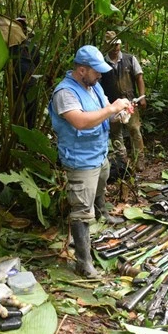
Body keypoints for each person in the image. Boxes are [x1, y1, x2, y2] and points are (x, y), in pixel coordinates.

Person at [48, 45, 133, 278]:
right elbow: (81, 122)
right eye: (96, 71)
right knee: (81, 210)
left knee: (101, 183)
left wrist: (120, 113)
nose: (100, 75)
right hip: (80, 159)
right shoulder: (65, 93)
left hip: (98, 153)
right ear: (82, 70)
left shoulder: (93, 87)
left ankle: (102, 212)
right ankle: (83, 262)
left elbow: (107, 112)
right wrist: (112, 109)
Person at [100, 31, 147, 172]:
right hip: (112, 104)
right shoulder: (102, 63)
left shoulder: (130, 59)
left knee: (134, 130)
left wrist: (142, 96)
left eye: (117, 44)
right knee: (115, 133)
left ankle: (140, 161)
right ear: (107, 46)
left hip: (130, 102)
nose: (116, 47)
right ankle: (123, 162)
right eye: (113, 44)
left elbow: (139, 77)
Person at [10, 15, 41, 128]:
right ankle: (19, 133)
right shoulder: (10, 45)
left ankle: (30, 131)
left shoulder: (31, 46)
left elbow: (36, 62)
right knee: (16, 107)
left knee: (31, 107)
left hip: (29, 79)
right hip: (14, 80)